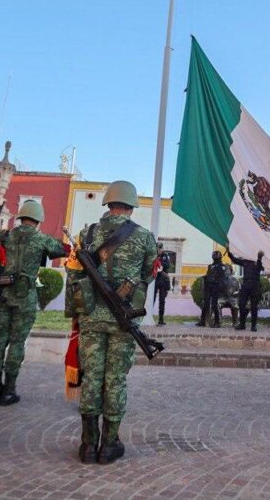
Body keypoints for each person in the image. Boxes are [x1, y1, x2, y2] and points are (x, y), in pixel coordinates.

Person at [72, 180, 156, 464]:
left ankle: (86, 445)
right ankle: (109, 445)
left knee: (92, 378)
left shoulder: (88, 233)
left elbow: (74, 274)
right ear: (132, 206)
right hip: (123, 318)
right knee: (115, 379)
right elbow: (148, 273)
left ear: (108, 203)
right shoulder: (144, 237)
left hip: (92, 317)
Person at [0, 199, 68, 407]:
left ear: (21, 217)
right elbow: (61, 249)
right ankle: (9, 391)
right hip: (25, 294)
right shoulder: (42, 239)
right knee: (16, 342)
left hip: (5, 293)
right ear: (38, 219)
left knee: (0, 339)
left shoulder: (7, 236)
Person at [228, 247, 264, 331]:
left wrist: (259, 258)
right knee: (241, 305)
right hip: (245, 285)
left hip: (255, 285)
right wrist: (229, 252)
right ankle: (242, 324)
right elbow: (235, 260)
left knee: (254, 306)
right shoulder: (245, 262)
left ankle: (253, 326)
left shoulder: (258, 262)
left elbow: (260, 268)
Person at [197, 251, 225, 328]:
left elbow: (222, 278)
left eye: (216, 256)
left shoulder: (221, 266)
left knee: (214, 305)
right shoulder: (210, 266)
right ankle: (202, 321)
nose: (214, 258)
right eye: (214, 256)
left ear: (219, 257)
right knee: (205, 304)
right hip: (208, 286)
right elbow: (208, 275)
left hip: (215, 287)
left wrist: (218, 285)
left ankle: (217, 322)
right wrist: (205, 278)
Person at [153, 243, 171, 326]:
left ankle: (161, 319)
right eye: (157, 248)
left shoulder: (165, 255)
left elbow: (167, 265)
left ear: (162, 248)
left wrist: (158, 263)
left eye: (160, 248)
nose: (159, 250)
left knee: (162, 300)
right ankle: (149, 316)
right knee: (151, 299)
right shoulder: (154, 255)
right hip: (155, 279)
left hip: (163, 280)